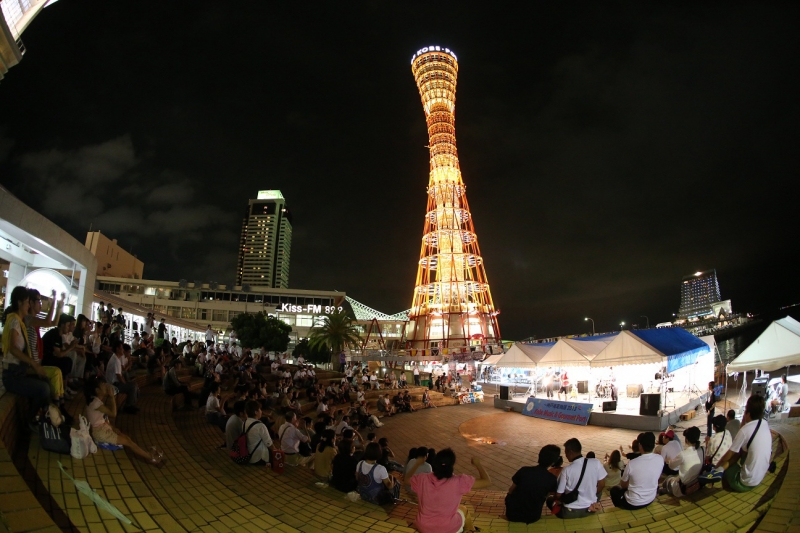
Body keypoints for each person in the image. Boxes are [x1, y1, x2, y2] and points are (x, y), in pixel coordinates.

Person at [408, 448, 491, 533]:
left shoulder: (422, 478)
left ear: (436, 462)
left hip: (424, 528)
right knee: (464, 510)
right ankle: (471, 530)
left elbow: (406, 480)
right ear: (452, 465)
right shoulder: (460, 481)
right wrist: (478, 464)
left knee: (460, 509)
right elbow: (487, 481)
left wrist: (417, 464)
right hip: (448, 529)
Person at [84, 375, 162, 465]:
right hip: (100, 432)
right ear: (97, 391)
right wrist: (112, 397)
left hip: (103, 427)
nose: (106, 386)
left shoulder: (95, 400)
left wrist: (112, 427)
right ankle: (150, 457)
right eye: (103, 385)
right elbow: (113, 414)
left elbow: (101, 419)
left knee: (127, 438)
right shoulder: (96, 403)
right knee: (128, 442)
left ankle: (148, 455)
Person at [2, 286, 51, 427]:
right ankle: (30, 421)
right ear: (19, 303)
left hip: (18, 372)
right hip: (12, 375)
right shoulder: (15, 321)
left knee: (45, 382)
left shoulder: (20, 321)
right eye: (27, 302)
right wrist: (34, 364)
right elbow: (12, 347)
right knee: (43, 389)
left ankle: (43, 418)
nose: (29, 305)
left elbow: (49, 322)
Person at [715, 394, 772, 492]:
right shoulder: (764, 423)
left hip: (745, 483)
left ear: (748, 414)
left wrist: (717, 466)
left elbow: (729, 454)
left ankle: (726, 487)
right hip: (760, 477)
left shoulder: (745, 430)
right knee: (740, 450)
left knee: (726, 466)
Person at [547, 438, 605, 519]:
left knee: (549, 500)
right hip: (591, 509)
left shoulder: (566, 470)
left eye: (566, 452)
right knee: (598, 492)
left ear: (570, 452)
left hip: (569, 512)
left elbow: (558, 494)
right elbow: (602, 485)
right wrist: (590, 494)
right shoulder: (596, 463)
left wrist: (556, 498)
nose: (566, 455)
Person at [505, 444, 560, 524]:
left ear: (539, 456)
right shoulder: (551, 479)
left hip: (512, 514)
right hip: (533, 516)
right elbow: (547, 496)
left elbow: (511, 490)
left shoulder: (524, 470)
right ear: (554, 461)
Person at [610, 432, 662, 510]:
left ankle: (620, 510)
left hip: (633, 503)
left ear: (640, 446)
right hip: (651, 498)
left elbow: (623, 485)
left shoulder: (632, 464)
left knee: (614, 490)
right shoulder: (660, 459)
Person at [661, 426, 704, 497]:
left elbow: (671, 466)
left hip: (683, 488)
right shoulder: (703, 449)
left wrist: (669, 461)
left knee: (668, 480)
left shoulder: (683, 454)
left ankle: (664, 490)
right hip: (696, 482)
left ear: (686, 440)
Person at [242, 400, 276, 466]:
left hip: (249, 455)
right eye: (260, 409)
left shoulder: (244, 423)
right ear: (256, 412)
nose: (261, 411)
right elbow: (269, 444)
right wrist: (277, 451)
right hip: (259, 457)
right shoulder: (260, 426)